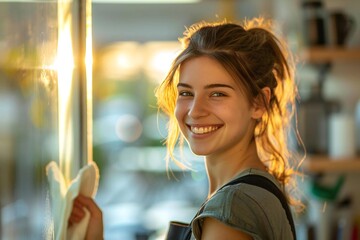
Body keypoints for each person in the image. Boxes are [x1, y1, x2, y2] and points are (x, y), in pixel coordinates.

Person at [68, 17, 303, 240]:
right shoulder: (248, 192)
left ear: (258, 103)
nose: (194, 111)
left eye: (217, 94)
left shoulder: (233, 206)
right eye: (186, 93)